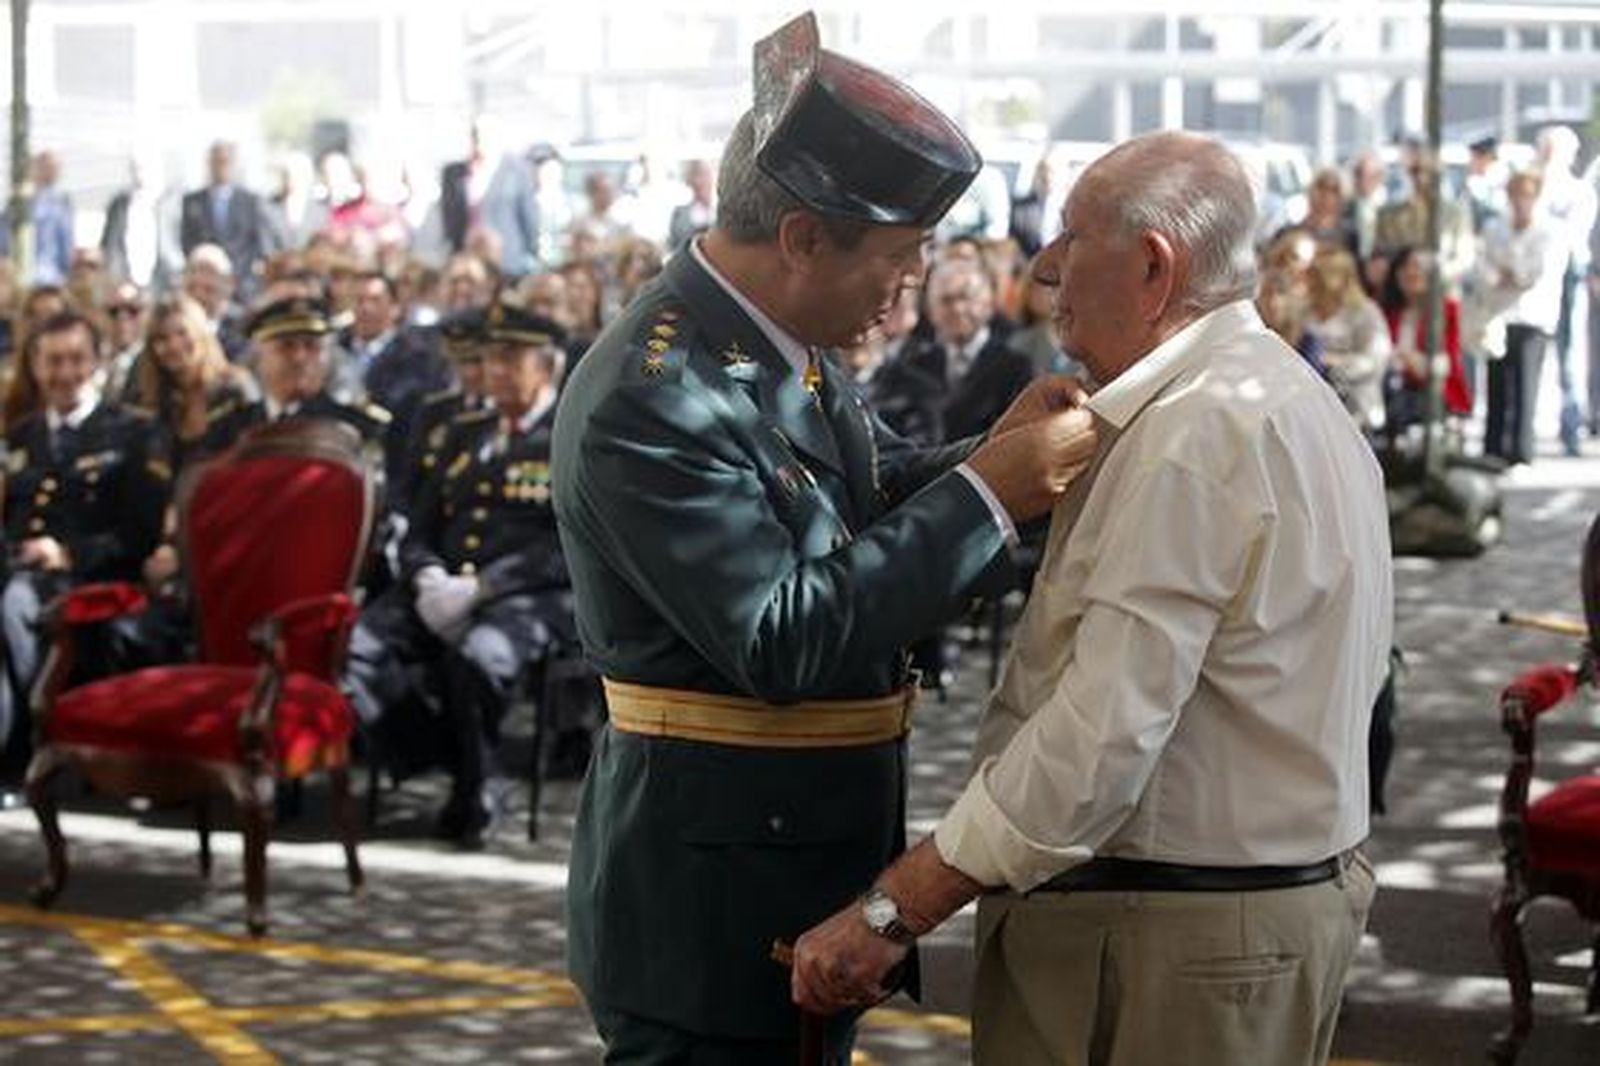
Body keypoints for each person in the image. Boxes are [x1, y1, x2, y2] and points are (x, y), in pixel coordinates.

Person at [552, 12, 1098, 1063]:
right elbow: (781, 634)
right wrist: (990, 491)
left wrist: (1000, 448)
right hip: (707, 909)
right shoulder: (655, 394)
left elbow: (862, 492)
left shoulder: (768, 340)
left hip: (789, 862)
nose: (904, 288)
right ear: (802, 237)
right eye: (897, 258)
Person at [791, 131, 1392, 1066]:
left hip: (1166, 944)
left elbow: (1098, 740)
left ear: (1153, 267)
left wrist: (891, 910)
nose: (1043, 267)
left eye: (1072, 240)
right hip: (1230, 924)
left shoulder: (1195, 433)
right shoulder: (1277, 396)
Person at [346, 301, 572, 847]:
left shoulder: (573, 434)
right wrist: (426, 577)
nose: (494, 371)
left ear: (546, 367)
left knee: (478, 659)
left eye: (510, 359)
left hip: (524, 597)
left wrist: (482, 587)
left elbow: (569, 543)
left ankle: (477, 784)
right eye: (490, 358)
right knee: (354, 651)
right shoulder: (463, 431)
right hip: (441, 584)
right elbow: (421, 523)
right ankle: (453, 756)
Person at [0, 311, 170, 768]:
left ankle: (22, 755)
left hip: (93, 580)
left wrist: (68, 553)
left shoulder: (135, 431)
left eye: (76, 359)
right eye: (53, 361)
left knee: (16, 605)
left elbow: (139, 534)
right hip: (16, 570)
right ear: (34, 367)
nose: (64, 373)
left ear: (97, 363)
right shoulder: (19, 437)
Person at [179, 141, 282, 298]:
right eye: (216, 162)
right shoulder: (192, 202)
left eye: (225, 162)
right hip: (206, 284)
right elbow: (188, 241)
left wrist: (244, 273)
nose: (221, 168)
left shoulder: (250, 201)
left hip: (243, 284)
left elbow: (259, 242)